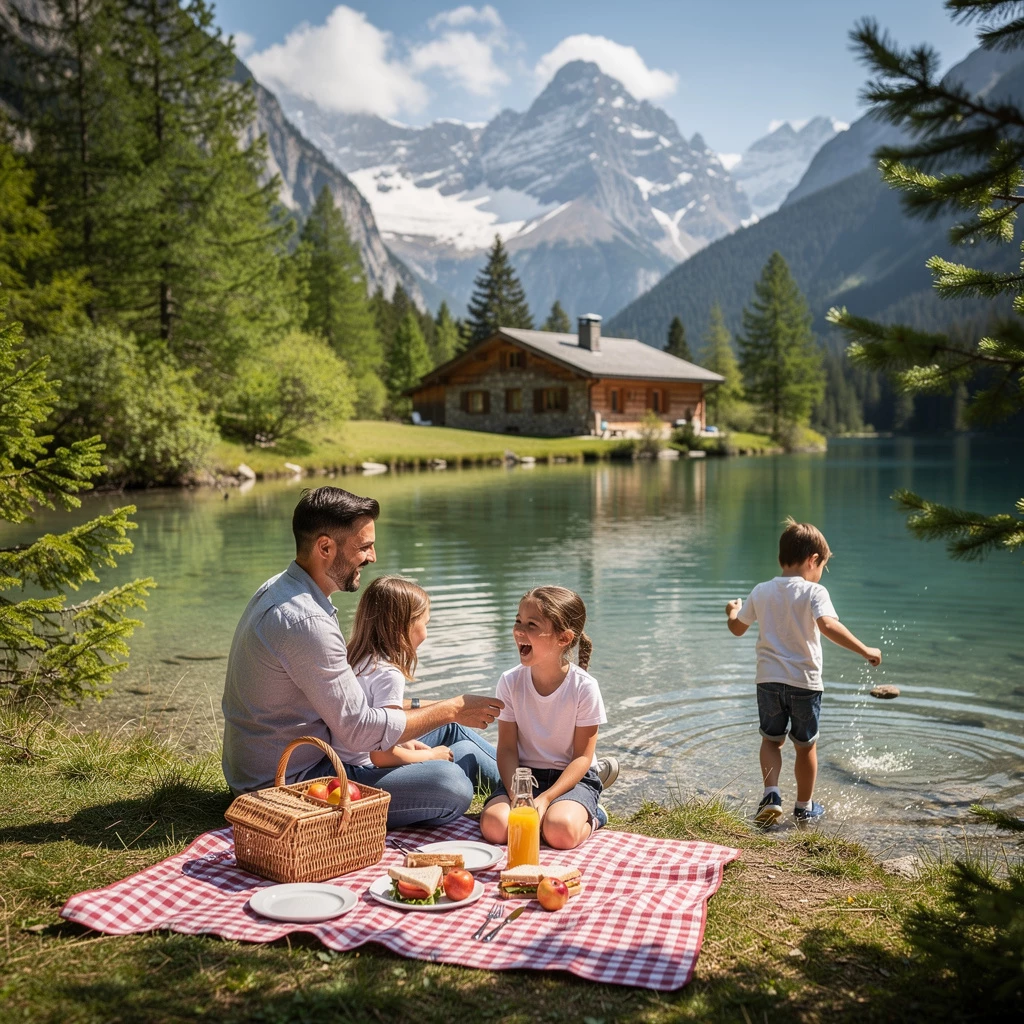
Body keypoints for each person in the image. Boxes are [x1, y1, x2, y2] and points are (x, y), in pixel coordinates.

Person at [221, 486, 503, 828]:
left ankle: (530, 788)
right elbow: (361, 733)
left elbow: (349, 702)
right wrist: (453, 707)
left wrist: (437, 709)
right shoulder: (306, 622)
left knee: (449, 727)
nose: (373, 557)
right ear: (325, 547)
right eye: (364, 547)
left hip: (304, 757)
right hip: (290, 784)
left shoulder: (282, 589)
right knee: (451, 784)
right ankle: (523, 794)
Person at [725, 518, 882, 827]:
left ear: (781, 557)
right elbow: (828, 626)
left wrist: (732, 611)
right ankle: (804, 807)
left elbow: (737, 629)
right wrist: (865, 650)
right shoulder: (815, 592)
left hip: (768, 682)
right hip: (805, 684)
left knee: (771, 740)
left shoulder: (761, 590)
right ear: (813, 560)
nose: (821, 572)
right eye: (822, 566)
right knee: (805, 745)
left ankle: (771, 795)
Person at [479, 586, 618, 851]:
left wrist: (545, 799)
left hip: (571, 780)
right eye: (518, 621)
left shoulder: (584, 687)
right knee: (495, 828)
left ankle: (596, 815)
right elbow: (507, 748)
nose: (519, 631)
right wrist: (518, 796)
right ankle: (548, 812)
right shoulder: (509, 682)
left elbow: (582, 757)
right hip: (523, 777)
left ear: (563, 638)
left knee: (559, 832)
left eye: (532, 625)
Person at [341, 574, 492, 774]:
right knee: (463, 752)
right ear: (404, 627)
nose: (426, 633)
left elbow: (371, 718)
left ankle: (517, 774)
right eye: (425, 624)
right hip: (361, 769)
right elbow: (381, 756)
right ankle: (520, 778)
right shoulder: (388, 674)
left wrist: (402, 741)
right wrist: (431, 756)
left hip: (345, 760)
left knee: (448, 727)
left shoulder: (353, 658)